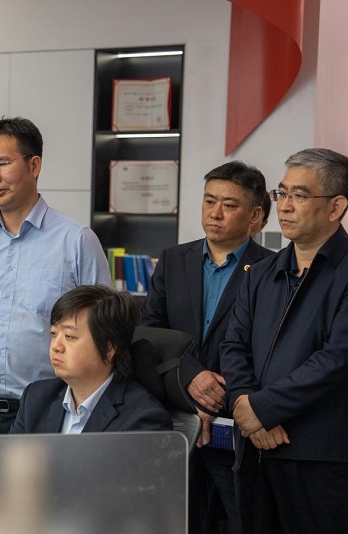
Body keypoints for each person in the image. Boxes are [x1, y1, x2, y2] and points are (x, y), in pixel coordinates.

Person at [0, 116, 111, 435]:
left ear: (34, 165)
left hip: (44, 410)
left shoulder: (76, 241)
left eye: (2, 163)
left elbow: (102, 327)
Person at [141, 161, 273, 534]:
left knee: (242, 520)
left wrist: (219, 397)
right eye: (209, 201)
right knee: (177, 520)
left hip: (238, 424)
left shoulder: (271, 268)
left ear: (255, 215)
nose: (215, 213)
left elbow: (267, 348)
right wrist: (190, 379)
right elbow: (149, 332)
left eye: (229, 205)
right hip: (178, 416)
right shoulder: (173, 259)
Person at [221, 148, 348, 533]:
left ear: (336, 207)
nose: (285, 206)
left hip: (320, 459)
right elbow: (233, 346)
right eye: (282, 193)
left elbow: (337, 359)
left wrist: (262, 409)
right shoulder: (261, 273)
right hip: (255, 450)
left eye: (300, 195)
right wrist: (244, 404)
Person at [11, 285, 172, 434]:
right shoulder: (35, 399)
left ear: (109, 349)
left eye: (69, 336)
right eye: (54, 334)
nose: (56, 346)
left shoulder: (143, 418)